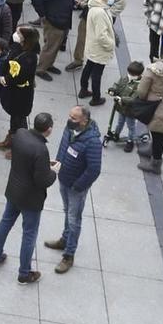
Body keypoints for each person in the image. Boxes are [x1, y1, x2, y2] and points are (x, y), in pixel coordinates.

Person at [0, 112, 57, 282]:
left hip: (14, 189)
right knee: (29, 234)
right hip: (31, 198)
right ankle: (24, 273)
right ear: (48, 130)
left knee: (5, 222)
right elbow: (43, 180)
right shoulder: (41, 150)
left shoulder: (20, 134)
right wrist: (53, 172)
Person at [43, 104, 102, 272]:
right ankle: (65, 239)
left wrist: (78, 186)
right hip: (64, 179)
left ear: (84, 121)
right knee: (67, 211)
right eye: (69, 116)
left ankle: (69, 255)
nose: (70, 120)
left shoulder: (92, 142)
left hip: (76, 187)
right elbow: (63, 147)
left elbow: (94, 170)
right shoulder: (70, 130)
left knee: (74, 218)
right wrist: (58, 163)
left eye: (74, 118)